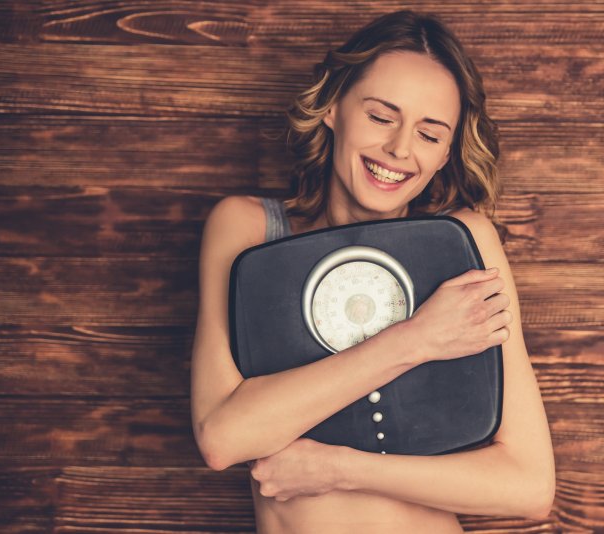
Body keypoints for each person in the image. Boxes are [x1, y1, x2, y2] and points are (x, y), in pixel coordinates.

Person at [190, 9, 555, 534]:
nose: (400, 149)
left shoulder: (467, 243)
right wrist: (416, 340)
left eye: (429, 135)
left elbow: (528, 486)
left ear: (446, 153)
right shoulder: (248, 230)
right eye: (382, 117)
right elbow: (222, 438)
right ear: (334, 106)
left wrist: (340, 470)